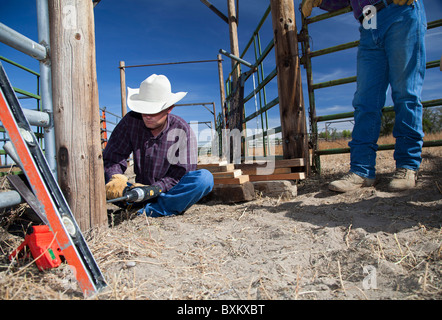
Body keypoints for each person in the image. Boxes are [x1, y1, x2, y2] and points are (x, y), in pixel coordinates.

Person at [302, 0, 427, 192]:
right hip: (368, 19)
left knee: (405, 92)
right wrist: (322, 1)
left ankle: (407, 166)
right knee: (365, 101)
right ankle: (361, 170)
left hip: (399, 8)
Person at [103, 74, 214, 216]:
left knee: (204, 179)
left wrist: (154, 189)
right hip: (137, 191)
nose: (147, 115)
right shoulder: (130, 121)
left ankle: (150, 210)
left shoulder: (182, 130)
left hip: (168, 192)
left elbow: (180, 175)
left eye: (153, 110)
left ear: (169, 108)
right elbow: (113, 158)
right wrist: (116, 178)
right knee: (100, 175)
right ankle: (146, 205)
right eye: (143, 109)